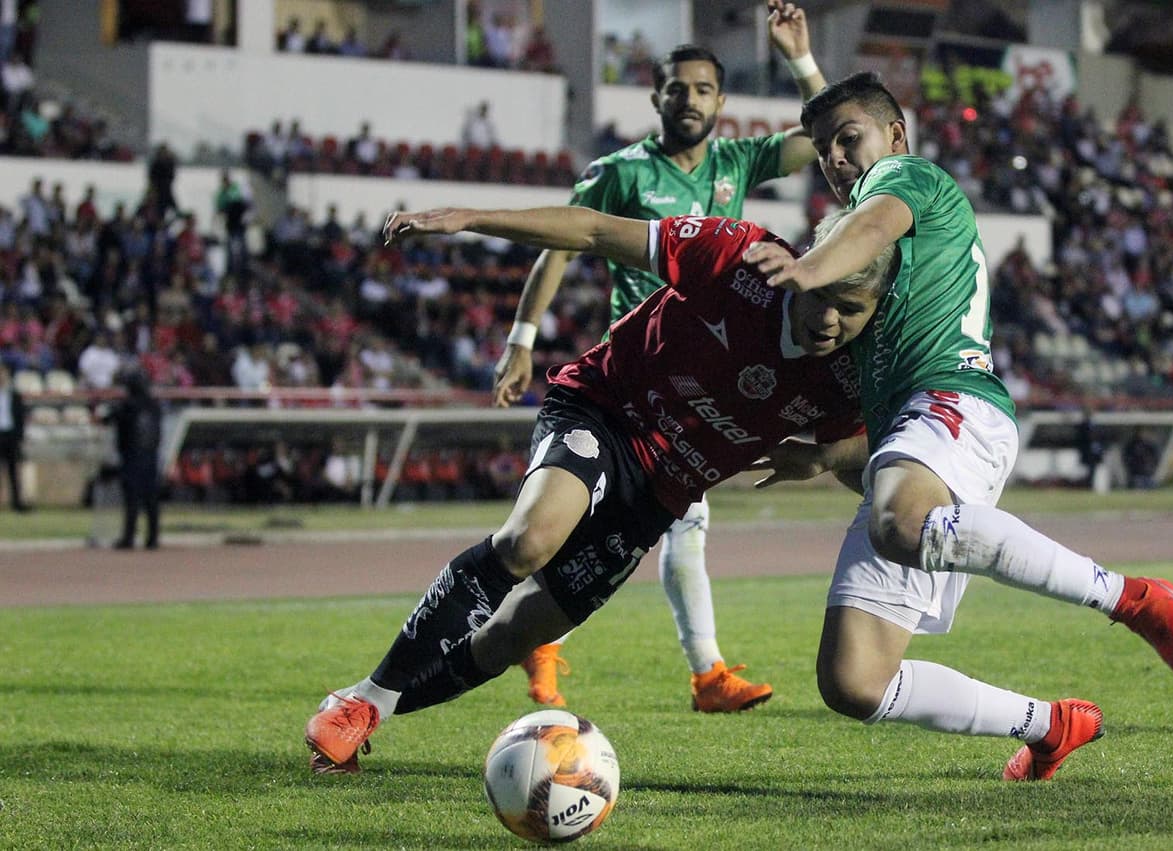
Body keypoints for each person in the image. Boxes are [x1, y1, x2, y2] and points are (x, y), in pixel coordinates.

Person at [302, 203, 896, 774]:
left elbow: (873, 449)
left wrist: (824, 457)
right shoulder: (737, 257)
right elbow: (590, 229)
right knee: (528, 540)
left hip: (661, 494)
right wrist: (470, 220)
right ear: (808, 264)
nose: (828, 320)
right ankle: (365, 702)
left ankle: (365, 704)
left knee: (516, 634)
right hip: (605, 410)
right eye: (821, 295)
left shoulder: (854, 373)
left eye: (851, 309)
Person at [741, 71, 1173, 781]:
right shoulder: (874, 258)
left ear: (896, 137)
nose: (834, 158)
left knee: (897, 523)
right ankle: (1050, 725)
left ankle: (1134, 597)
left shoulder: (909, 178)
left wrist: (803, 269)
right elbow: (858, 181)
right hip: (916, 432)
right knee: (854, 681)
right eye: (822, 148)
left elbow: (866, 220)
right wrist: (826, 454)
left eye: (847, 142)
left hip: (956, 399)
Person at [492, 0, 827, 712]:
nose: (691, 100)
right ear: (657, 98)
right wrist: (521, 340)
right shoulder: (618, 172)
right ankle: (688, 670)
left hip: (705, 377)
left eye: (704, 89)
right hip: (634, 374)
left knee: (672, 518)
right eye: (678, 89)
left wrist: (799, 57)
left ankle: (576, 648)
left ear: (721, 101)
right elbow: (563, 243)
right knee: (628, 519)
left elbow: (823, 136)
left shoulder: (739, 160)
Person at [106, 369, 162, 549]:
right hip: (151, 455)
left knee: (132, 498)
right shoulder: (154, 405)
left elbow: (112, 419)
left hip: (133, 455)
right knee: (150, 498)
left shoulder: (128, 406)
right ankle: (152, 537)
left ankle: (129, 537)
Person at [0, 362, 31, 511]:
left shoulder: (14, 394)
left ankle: (17, 503)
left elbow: (20, 417)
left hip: (10, 435)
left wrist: (19, 436)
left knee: (13, 471)